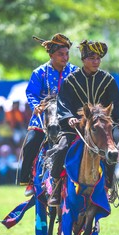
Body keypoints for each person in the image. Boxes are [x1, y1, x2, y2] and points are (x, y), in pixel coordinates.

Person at [48, 39, 119, 206]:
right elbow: (62, 103)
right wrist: (68, 117)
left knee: (111, 152)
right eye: (92, 58)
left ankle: (108, 184)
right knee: (62, 148)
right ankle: (55, 187)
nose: (96, 61)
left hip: (100, 129)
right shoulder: (71, 80)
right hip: (76, 128)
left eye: (98, 58)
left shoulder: (108, 80)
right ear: (83, 59)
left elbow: (117, 104)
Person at [19, 33, 78, 196]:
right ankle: (28, 181)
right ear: (51, 54)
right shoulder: (39, 73)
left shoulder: (75, 72)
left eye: (67, 54)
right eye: (61, 54)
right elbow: (31, 93)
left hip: (68, 117)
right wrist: (36, 105)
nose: (65, 57)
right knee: (31, 142)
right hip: (43, 116)